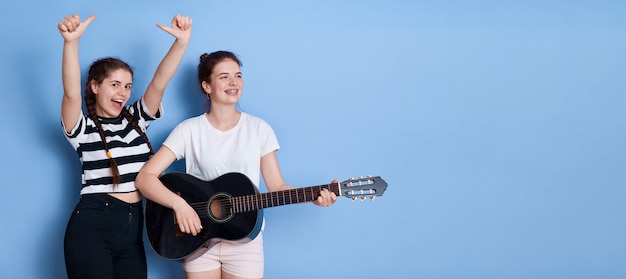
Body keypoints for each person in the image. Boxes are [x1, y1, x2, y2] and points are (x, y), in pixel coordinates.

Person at [135, 50, 338, 279]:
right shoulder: (189, 130)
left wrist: (312, 196)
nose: (234, 82)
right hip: (197, 238)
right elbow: (145, 178)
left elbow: (277, 187)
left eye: (238, 75)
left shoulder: (259, 129)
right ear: (207, 86)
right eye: (224, 77)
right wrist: (179, 205)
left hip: (245, 239)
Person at [58, 13, 192, 279]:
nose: (122, 92)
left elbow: (159, 82)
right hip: (93, 224)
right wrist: (71, 43)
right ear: (95, 86)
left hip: (134, 227)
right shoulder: (82, 128)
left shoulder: (137, 120)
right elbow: (71, 93)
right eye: (115, 84)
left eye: (128, 86)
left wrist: (181, 42)